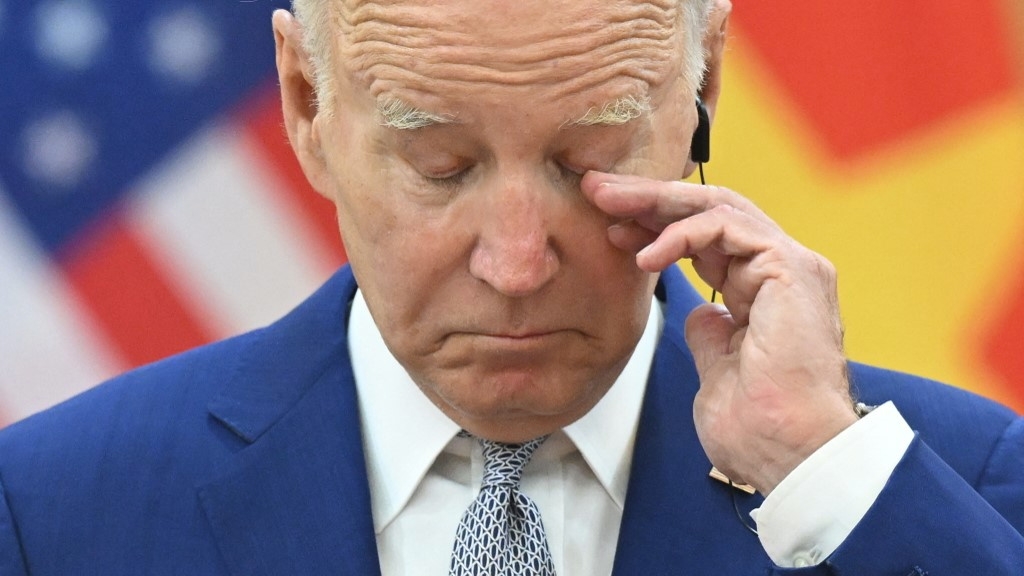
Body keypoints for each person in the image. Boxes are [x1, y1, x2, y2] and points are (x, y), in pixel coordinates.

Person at [1, 0, 1022, 574]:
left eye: (588, 159)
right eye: (439, 166)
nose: (517, 262)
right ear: (306, 103)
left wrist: (826, 478)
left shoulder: (951, 488)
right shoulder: (48, 516)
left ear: (704, 84)